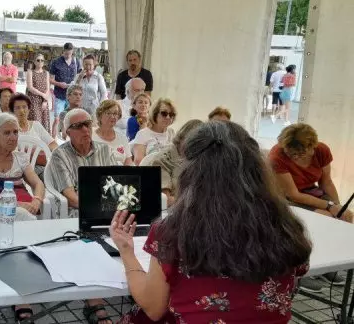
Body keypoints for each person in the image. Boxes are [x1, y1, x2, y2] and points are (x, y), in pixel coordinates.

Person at [111, 121, 312, 323]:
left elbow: (153, 307)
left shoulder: (172, 231)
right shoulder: (287, 227)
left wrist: (127, 252)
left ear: (190, 173)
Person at [46, 108, 118, 324]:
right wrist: (102, 207)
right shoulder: (61, 155)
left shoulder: (105, 151)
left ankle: (135, 287)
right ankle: (94, 301)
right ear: (68, 132)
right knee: (91, 242)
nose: (86, 129)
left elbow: (118, 185)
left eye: (87, 123)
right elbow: (71, 197)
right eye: (78, 126)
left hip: (108, 210)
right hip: (78, 214)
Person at [267, 123, 351, 292]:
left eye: (300, 153)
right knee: (323, 219)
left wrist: (338, 207)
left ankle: (328, 265)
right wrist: (329, 206)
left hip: (311, 192)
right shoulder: (277, 156)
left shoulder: (322, 151)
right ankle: (307, 271)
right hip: (285, 197)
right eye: (291, 154)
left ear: (312, 146)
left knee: (345, 217)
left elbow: (326, 182)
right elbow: (293, 195)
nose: (294, 157)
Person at [0, 113, 44, 222]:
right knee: (21, 214)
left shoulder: (21, 158)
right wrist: (18, 205)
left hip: (17, 211)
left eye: (15, 132)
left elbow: (37, 183)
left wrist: (37, 200)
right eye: (7, 133)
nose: (13, 137)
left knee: (21, 214)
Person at [139, 119, 203, 206]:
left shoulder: (196, 158)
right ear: (182, 138)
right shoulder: (162, 159)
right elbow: (166, 201)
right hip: (169, 212)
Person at [10, 93, 58, 178]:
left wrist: (46, 153)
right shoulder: (9, 129)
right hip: (16, 168)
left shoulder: (36, 125)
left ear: (29, 109)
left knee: (56, 177)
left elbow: (53, 144)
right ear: (12, 111)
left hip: (39, 166)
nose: (22, 110)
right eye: (18, 108)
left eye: (24, 107)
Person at [130, 98, 177, 165]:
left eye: (172, 114)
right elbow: (138, 162)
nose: (168, 117)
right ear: (154, 113)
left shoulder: (171, 132)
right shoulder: (143, 134)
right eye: (164, 113)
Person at [50, 43, 81, 132]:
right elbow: (50, 79)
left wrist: (75, 82)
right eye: (66, 53)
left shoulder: (76, 61)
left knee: (71, 121)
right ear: (63, 51)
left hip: (72, 96)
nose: (68, 55)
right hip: (60, 95)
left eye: (70, 54)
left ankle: (68, 140)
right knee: (57, 119)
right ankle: (53, 141)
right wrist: (59, 84)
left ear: (72, 52)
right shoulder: (56, 62)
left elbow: (80, 76)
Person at [93, 100, 132, 165]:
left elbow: (128, 163)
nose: (112, 117)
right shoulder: (90, 137)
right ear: (99, 116)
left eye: (115, 113)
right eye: (108, 113)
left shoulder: (122, 138)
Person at [26, 54, 52, 132]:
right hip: (33, 100)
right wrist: (42, 95)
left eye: (42, 60)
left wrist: (45, 101)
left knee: (45, 123)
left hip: (44, 101)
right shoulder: (30, 72)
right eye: (38, 60)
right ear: (34, 62)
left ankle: (43, 143)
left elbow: (48, 88)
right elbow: (30, 88)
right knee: (36, 122)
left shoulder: (46, 73)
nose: (40, 62)